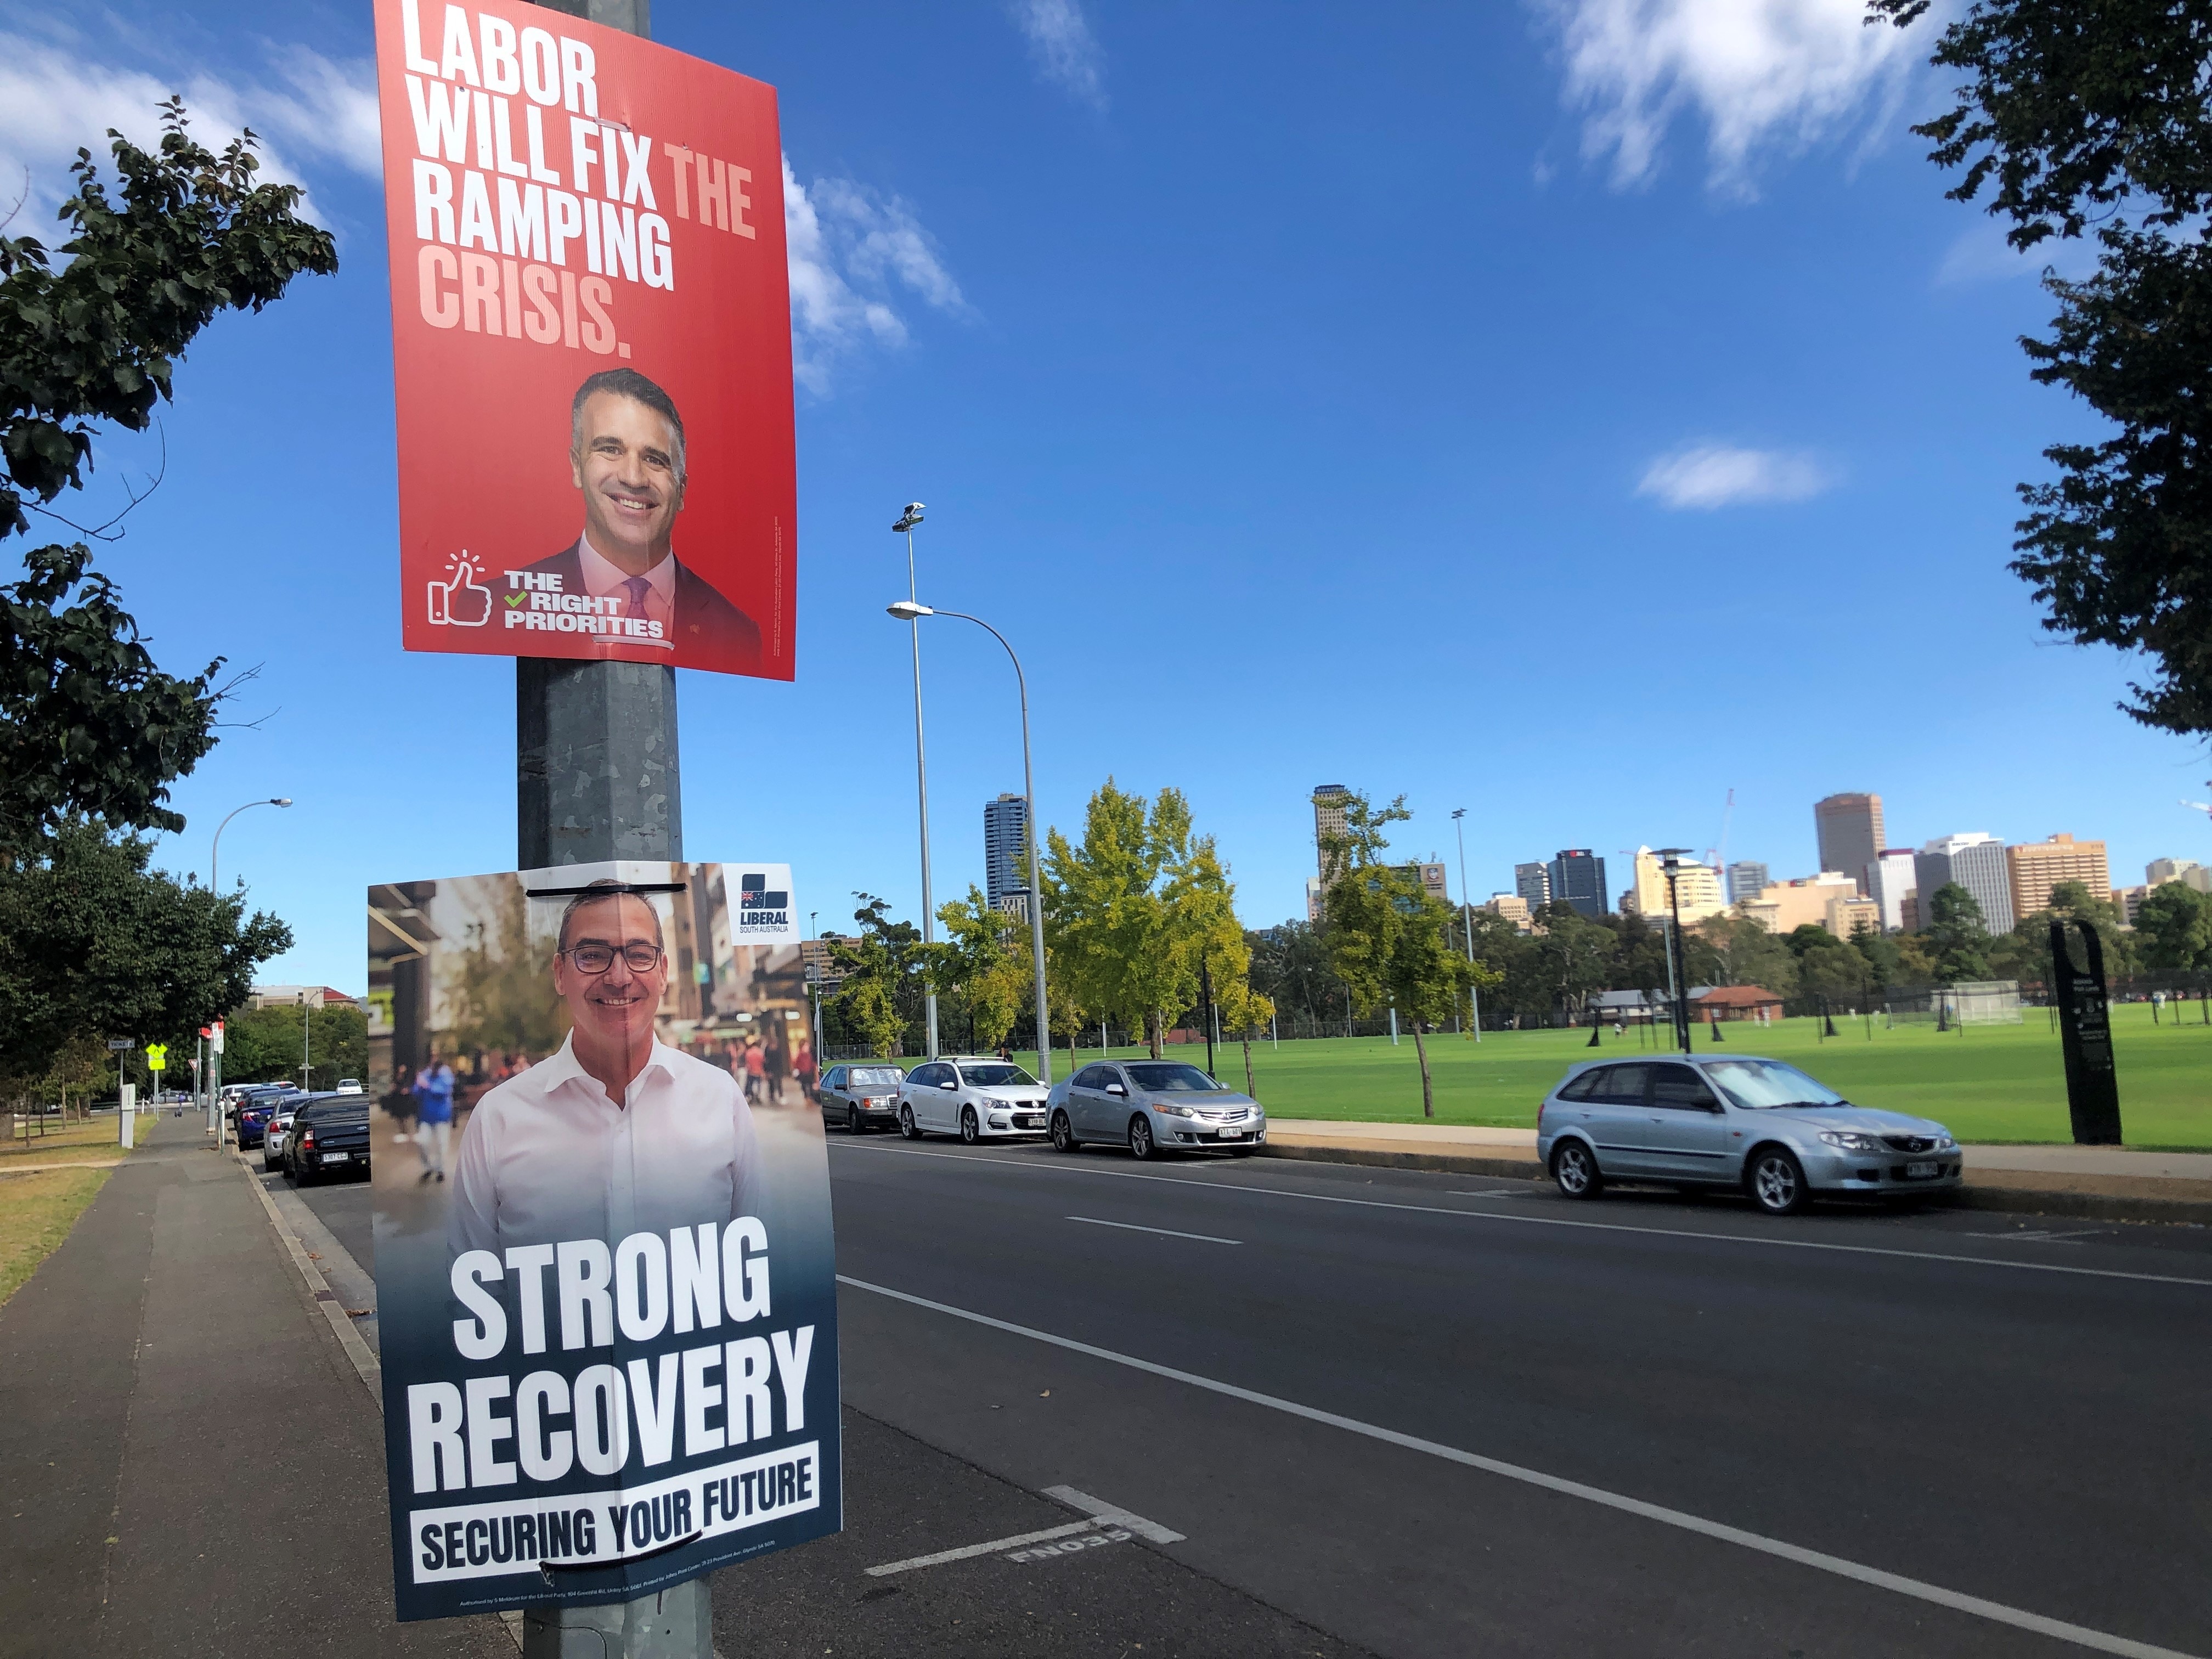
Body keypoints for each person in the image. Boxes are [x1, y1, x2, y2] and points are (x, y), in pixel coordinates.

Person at [448, 881, 761, 1257]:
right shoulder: (497, 1119)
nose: (619, 977)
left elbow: (756, 1265)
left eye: (639, 953)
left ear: (662, 972)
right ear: (560, 973)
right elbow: (470, 1291)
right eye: (593, 955)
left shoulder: (720, 1098)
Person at [516, 368, 761, 669]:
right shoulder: (493, 603)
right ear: (577, 467)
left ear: (681, 490)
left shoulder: (739, 634)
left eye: (655, 460)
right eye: (610, 449)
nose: (633, 478)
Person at [413, 1054, 454, 1183]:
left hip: (442, 1116)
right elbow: (415, 1092)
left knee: (442, 1145)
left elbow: (443, 1091)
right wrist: (419, 1085)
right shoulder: (426, 1074)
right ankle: (428, 1168)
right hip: (426, 1116)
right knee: (423, 1142)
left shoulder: (446, 1074)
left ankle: (440, 1169)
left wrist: (427, 1086)